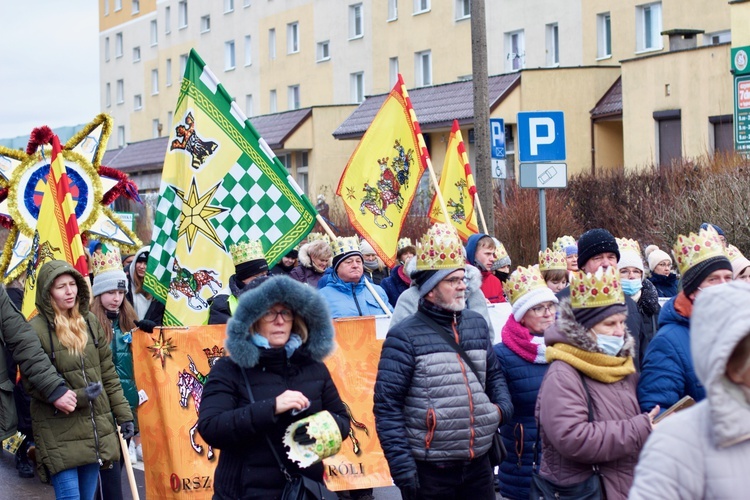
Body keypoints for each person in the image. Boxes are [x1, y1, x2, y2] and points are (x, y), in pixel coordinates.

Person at [374, 223, 512, 498]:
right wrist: (402, 468)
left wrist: (499, 411)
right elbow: (387, 407)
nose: (463, 286)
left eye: (463, 278)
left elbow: (493, 375)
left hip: (478, 464)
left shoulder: (475, 324)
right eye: (452, 280)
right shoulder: (404, 336)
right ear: (429, 290)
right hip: (430, 470)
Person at [197, 276, 350, 498]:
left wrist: (319, 427)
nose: (279, 321)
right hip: (244, 493)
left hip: (303, 491)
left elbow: (342, 421)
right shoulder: (229, 369)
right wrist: (271, 408)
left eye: (286, 312)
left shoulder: (313, 367)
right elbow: (211, 428)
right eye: (269, 312)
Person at [535, 266, 657, 500]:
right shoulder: (563, 372)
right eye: (610, 324)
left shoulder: (621, 365)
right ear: (585, 329)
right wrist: (640, 428)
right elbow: (572, 438)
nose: (619, 332)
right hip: (587, 490)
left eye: (622, 323)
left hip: (622, 486)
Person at [23, 260, 133, 499]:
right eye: (61, 286)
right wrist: (79, 396)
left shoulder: (90, 323)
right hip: (58, 430)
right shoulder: (35, 329)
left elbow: (108, 375)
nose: (69, 291)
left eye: (72, 284)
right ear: (47, 291)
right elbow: (32, 382)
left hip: (93, 429)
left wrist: (124, 416)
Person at [630, 282, 750, 499]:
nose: (722, 282)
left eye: (728, 276)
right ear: (731, 363)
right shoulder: (676, 440)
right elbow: (656, 402)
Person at [638, 226, 733, 412]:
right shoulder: (668, 344)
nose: (724, 286)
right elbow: (657, 414)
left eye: (728, 278)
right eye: (713, 279)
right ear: (692, 290)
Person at [493, 266, 558, 499]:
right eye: (538, 308)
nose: (548, 313)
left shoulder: (569, 347)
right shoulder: (501, 355)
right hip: (522, 459)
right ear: (522, 315)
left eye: (550, 306)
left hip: (566, 456)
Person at [89, 246, 144, 496]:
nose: (117, 297)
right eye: (111, 291)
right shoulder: (89, 325)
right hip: (100, 414)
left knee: (119, 473)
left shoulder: (130, 322)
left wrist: (148, 337)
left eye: (121, 291)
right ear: (99, 293)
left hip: (126, 412)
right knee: (109, 484)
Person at [557, 228, 645, 367]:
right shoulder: (562, 303)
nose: (606, 263)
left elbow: (640, 357)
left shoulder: (629, 304)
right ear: (583, 265)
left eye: (611, 257)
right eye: (597, 258)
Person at [318, 237, 391, 318]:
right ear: (337, 268)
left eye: (358, 261)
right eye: (349, 262)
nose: (355, 265)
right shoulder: (322, 297)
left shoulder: (377, 292)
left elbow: (392, 323)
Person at [617, 238, 660, 369]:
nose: (631, 276)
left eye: (636, 271)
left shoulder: (653, 307)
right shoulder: (609, 308)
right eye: (624, 271)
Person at [209, 239, 269, 324]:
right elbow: (221, 335)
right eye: (260, 276)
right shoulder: (222, 303)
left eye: (266, 274)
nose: (265, 279)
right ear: (244, 278)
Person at [125, 247, 164, 327]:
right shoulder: (126, 285)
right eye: (139, 262)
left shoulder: (161, 290)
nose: (142, 266)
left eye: (146, 263)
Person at [465, 233, 506, 303]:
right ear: (473, 253)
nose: (492, 259)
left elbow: (502, 311)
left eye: (493, 254)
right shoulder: (460, 280)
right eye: (487, 254)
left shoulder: (495, 282)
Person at [380, 238, 416, 307]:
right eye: (405, 254)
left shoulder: (423, 277)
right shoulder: (388, 283)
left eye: (411, 253)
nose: (409, 256)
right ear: (399, 257)